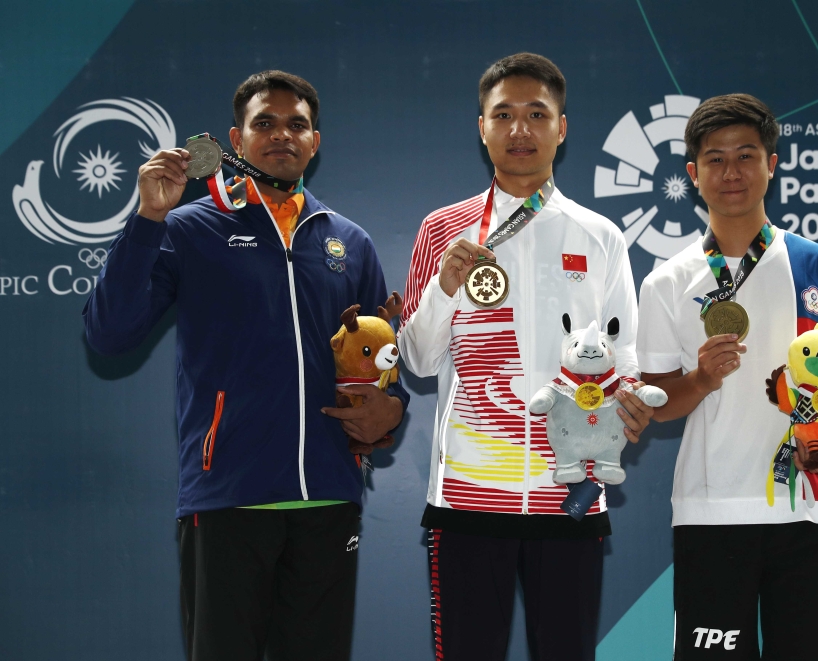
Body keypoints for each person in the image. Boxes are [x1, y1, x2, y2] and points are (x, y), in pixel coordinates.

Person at [84, 70, 408, 661]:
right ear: (236, 139)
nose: (281, 134)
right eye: (265, 122)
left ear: (316, 141)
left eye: (296, 124)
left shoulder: (350, 243)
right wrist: (147, 219)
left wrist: (392, 410)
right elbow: (108, 334)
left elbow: (378, 360)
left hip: (330, 501)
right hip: (228, 496)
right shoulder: (186, 230)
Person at [397, 53, 654, 661]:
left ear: (561, 128)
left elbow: (625, 359)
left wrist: (632, 403)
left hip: (569, 494)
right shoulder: (444, 229)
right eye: (503, 115)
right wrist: (444, 287)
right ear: (481, 127)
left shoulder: (600, 235)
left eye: (537, 114)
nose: (520, 130)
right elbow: (418, 360)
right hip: (469, 495)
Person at [637, 94, 818, 660]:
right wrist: (700, 379)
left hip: (807, 507)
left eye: (746, 155)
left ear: (772, 163)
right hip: (710, 509)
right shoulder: (667, 282)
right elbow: (656, 400)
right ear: (693, 175)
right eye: (715, 159)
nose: (731, 171)